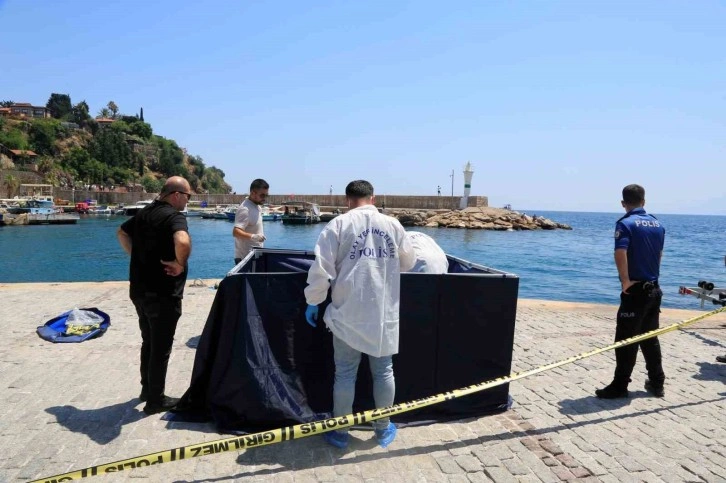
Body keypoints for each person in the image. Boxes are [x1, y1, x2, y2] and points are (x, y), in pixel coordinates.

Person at [304, 180, 416, 449]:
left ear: (347, 200)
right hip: (382, 315)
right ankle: (383, 428)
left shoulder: (338, 225)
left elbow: (321, 268)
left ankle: (340, 431)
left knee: (344, 374)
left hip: (347, 314)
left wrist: (313, 301)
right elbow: (408, 262)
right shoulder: (393, 225)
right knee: (384, 372)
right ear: (373, 198)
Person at [117, 176, 192, 415]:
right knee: (161, 347)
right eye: (188, 196)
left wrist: (137, 256)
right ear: (176, 195)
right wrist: (179, 264)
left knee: (148, 341)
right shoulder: (174, 216)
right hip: (163, 293)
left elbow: (121, 232)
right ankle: (155, 400)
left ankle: (147, 389)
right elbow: (182, 241)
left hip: (139, 290)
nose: (188, 201)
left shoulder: (144, 213)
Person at [596, 184, 666, 399]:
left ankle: (619, 386)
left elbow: (620, 252)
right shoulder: (657, 224)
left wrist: (625, 281)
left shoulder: (625, 224)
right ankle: (657, 382)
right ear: (644, 201)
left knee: (625, 339)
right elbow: (659, 254)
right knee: (649, 337)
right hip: (654, 288)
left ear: (623, 203)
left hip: (635, 291)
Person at [232, 179, 269, 265]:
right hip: (245, 259)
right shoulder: (245, 209)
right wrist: (253, 236)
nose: (264, 198)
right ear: (253, 193)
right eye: (262, 195)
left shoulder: (256, 206)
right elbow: (236, 232)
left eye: (266, 195)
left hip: (254, 256)